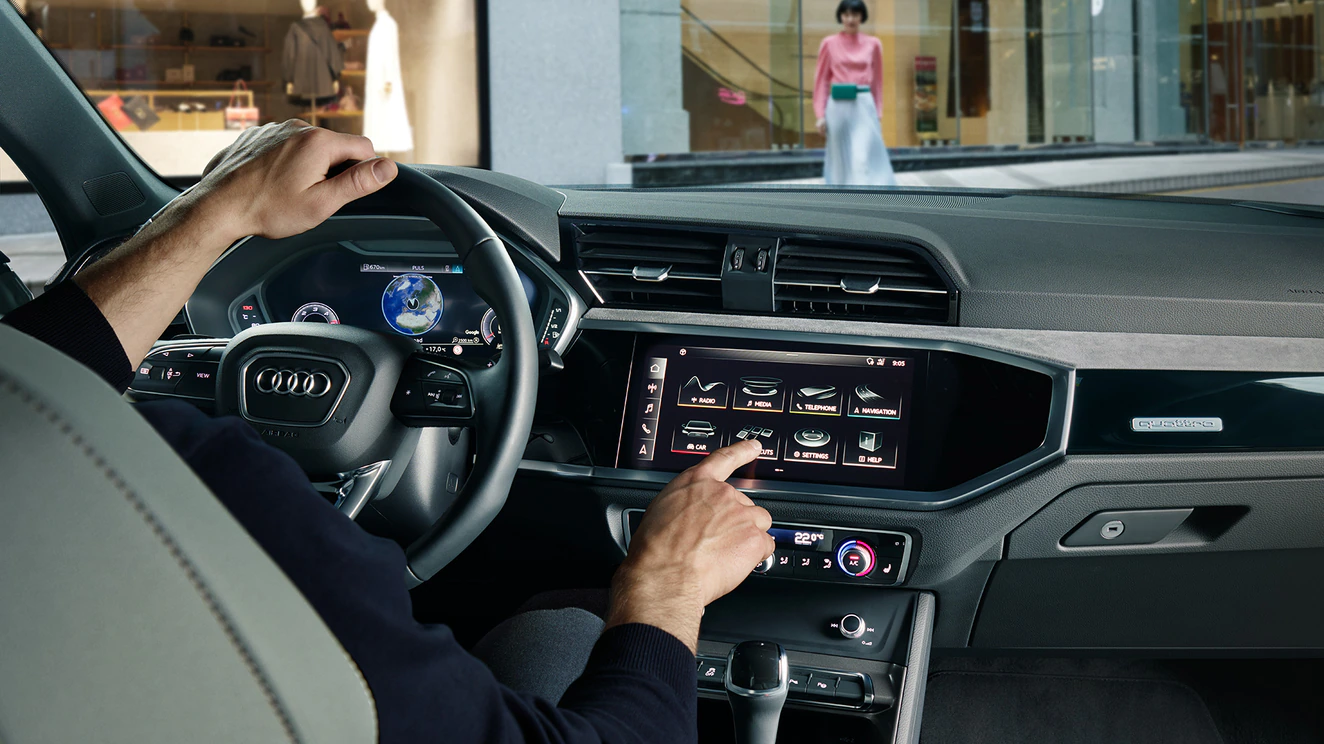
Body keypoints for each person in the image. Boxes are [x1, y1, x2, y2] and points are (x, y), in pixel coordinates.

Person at [1, 120, 776, 743]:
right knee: (567, 624)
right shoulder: (229, 499)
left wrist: (218, 212)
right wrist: (668, 584)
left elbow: (35, 378)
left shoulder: (54, 464)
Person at [813, 0, 896, 187]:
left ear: (862, 17)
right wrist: (820, 114)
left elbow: (878, 81)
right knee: (839, 161)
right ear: (840, 16)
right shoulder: (829, 43)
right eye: (846, 14)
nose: (850, 19)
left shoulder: (874, 44)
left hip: (863, 105)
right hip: (837, 105)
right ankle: (842, 199)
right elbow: (822, 81)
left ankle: (865, 197)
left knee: (861, 156)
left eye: (855, 14)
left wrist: (878, 112)